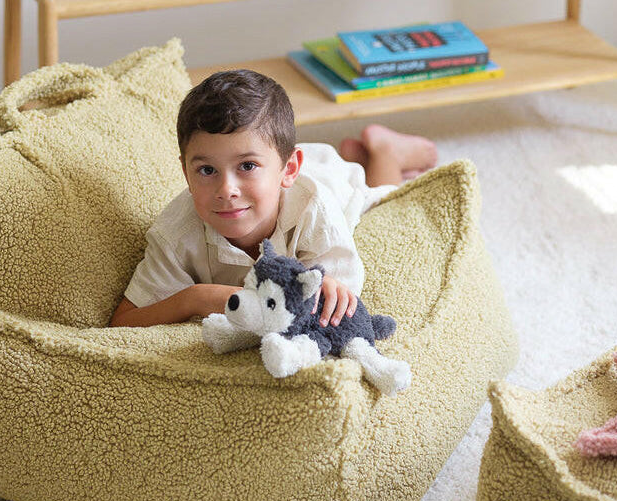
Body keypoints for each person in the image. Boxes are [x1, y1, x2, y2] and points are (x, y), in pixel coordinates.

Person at [109, 69, 437, 328]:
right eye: (207, 170)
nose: (227, 190)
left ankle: (386, 152)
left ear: (289, 169)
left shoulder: (314, 209)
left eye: (246, 166)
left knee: (385, 200)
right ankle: (358, 153)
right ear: (185, 173)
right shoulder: (175, 234)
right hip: (282, 164)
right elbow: (124, 321)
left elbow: (329, 309)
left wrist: (333, 288)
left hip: (331, 179)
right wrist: (195, 297)